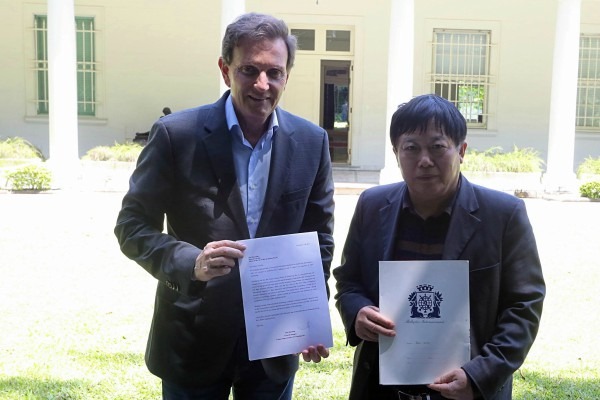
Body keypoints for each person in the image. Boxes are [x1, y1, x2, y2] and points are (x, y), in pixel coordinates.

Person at [115, 12, 334, 400]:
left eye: (275, 72)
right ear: (225, 69)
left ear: (287, 75)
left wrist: (309, 315)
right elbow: (132, 225)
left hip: (275, 345)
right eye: (249, 70)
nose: (262, 84)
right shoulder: (176, 135)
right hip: (193, 338)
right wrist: (191, 262)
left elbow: (319, 240)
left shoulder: (311, 142)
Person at [333, 94, 545, 400]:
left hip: (467, 389)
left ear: (461, 151)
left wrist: (479, 375)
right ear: (396, 153)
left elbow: (523, 306)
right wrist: (357, 312)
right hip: (380, 388)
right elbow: (349, 280)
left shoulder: (503, 215)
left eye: (437, 147)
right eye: (411, 148)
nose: (424, 160)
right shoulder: (372, 205)